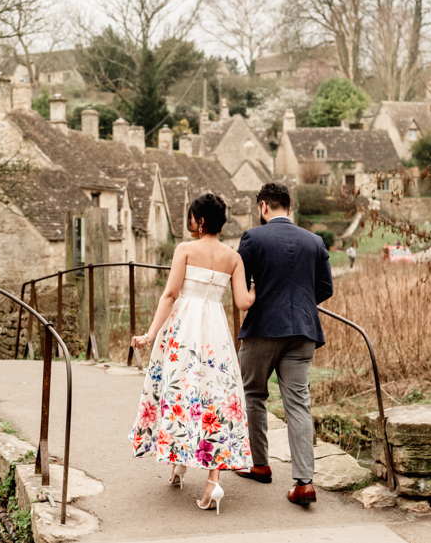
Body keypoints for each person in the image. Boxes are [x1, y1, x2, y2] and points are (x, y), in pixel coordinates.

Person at [129, 193, 256, 515]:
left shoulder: (185, 249)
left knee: (180, 393)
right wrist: (262, 286)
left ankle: (179, 457)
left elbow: (170, 294)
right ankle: (211, 480)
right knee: (214, 398)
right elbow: (243, 302)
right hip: (215, 334)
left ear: (200, 221)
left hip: (184, 330)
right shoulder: (234, 257)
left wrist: (149, 334)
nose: (188, 223)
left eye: (190, 217)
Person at [235, 182, 334, 506]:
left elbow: (240, 284)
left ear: (264, 207)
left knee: (253, 394)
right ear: (288, 208)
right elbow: (325, 289)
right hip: (304, 330)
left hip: (263, 328)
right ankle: (304, 482)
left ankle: (260, 464)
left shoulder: (253, 238)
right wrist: (301, 305)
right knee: (298, 404)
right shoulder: (315, 241)